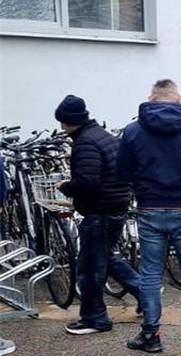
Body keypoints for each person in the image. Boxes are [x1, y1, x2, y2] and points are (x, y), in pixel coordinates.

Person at [117, 79, 181, 353]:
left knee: (151, 274)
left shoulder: (132, 131)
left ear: (150, 99)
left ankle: (151, 335)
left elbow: (122, 173)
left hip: (150, 209)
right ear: (179, 99)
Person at [54, 95, 140, 335]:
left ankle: (95, 318)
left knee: (90, 267)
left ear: (72, 121)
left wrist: (66, 187)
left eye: (63, 122)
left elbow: (88, 183)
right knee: (106, 257)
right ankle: (146, 294)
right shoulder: (104, 136)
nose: (61, 127)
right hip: (115, 206)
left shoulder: (85, 143)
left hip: (99, 211)